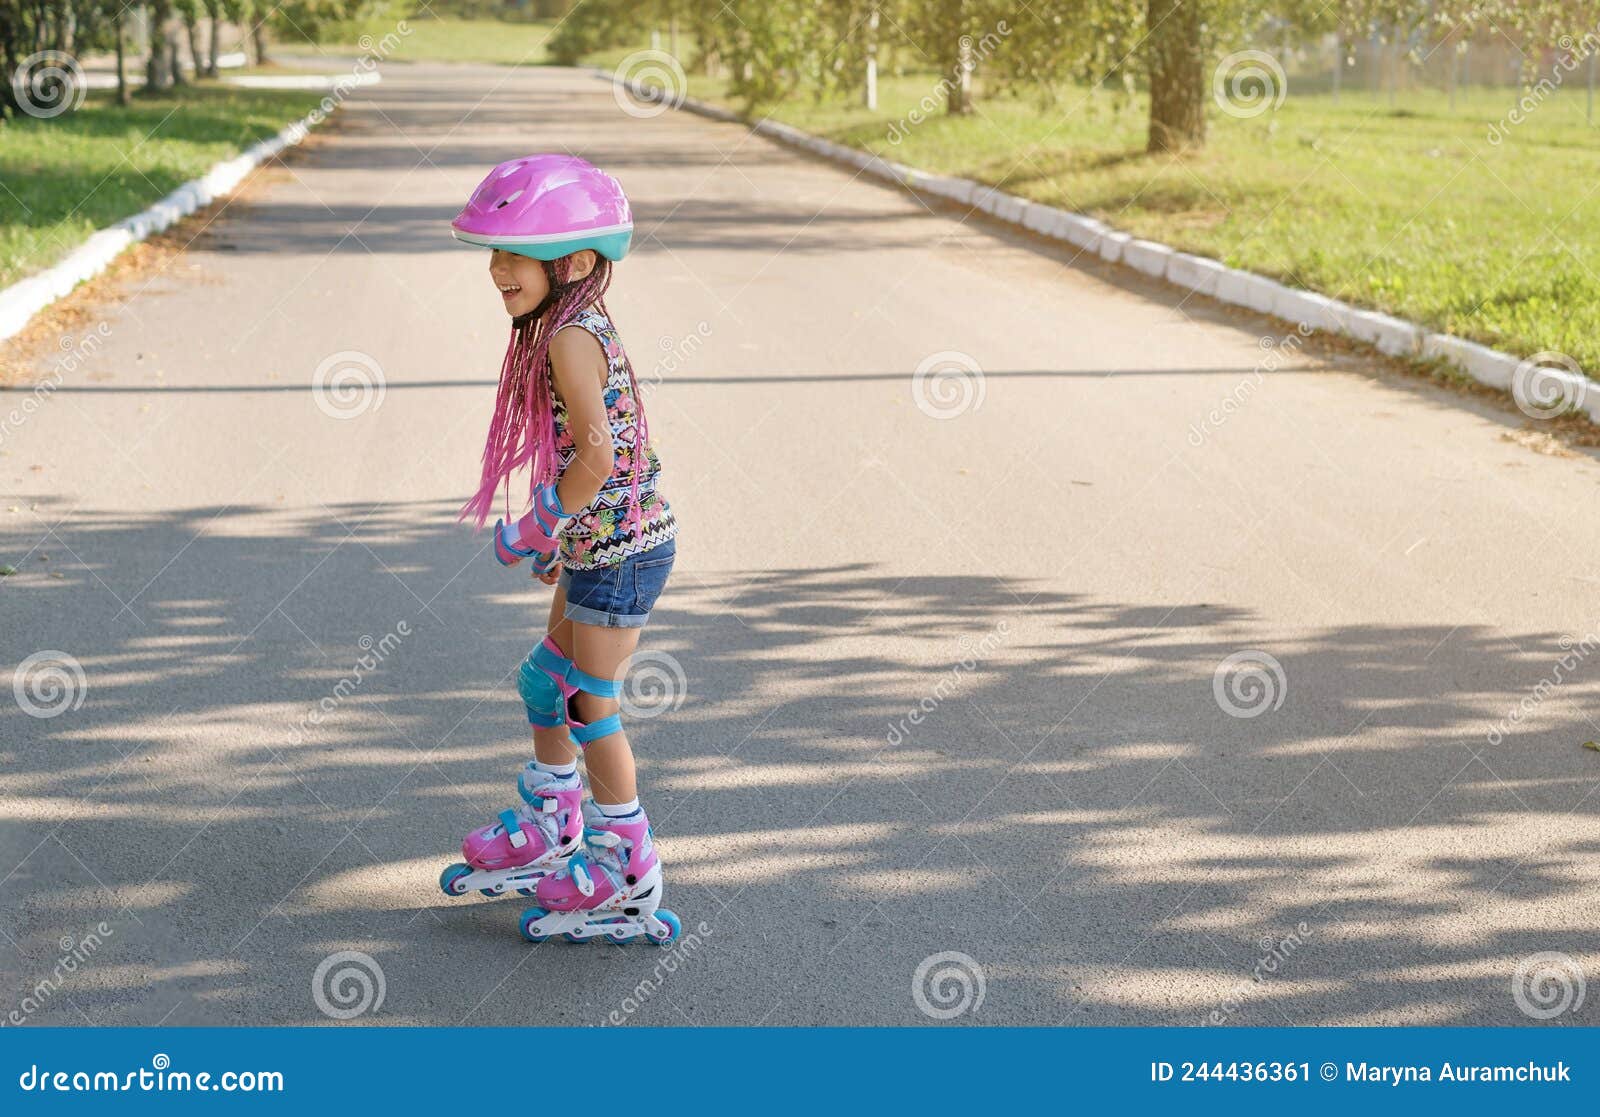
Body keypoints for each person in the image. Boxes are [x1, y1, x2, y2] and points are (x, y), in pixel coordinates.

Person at [439, 154, 681, 945]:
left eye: (514, 253)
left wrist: (541, 521)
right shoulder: (563, 326)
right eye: (494, 251)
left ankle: (627, 865)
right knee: (543, 681)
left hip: (625, 548)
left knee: (586, 701)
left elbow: (600, 456)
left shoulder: (571, 338)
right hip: (597, 541)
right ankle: (555, 822)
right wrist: (563, 534)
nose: (496, 268)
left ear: (573, 263)